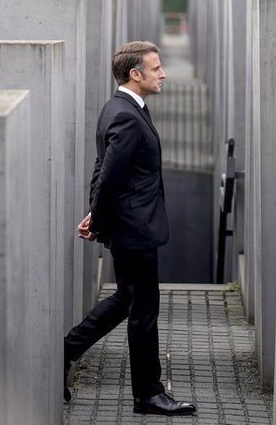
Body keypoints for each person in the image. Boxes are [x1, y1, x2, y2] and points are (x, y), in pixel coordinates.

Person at [63, 41, 196, 417]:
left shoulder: (120, 108)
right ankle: (148, 394)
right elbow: (108, 175)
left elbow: (102, 168)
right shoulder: (124, 114)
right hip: (134, 229)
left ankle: (66, 352)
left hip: (130, 226)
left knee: (127, 299)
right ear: (135, 74)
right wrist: (98, 220)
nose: (163, 73)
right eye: (156, 68)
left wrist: (95, 214)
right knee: (143, 312)